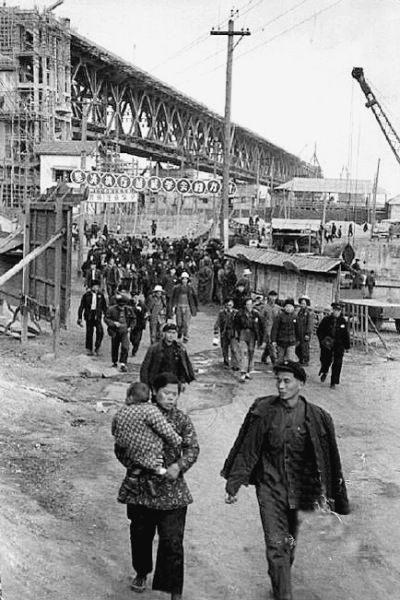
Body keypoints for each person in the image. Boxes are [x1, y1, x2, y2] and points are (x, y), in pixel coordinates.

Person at [221, 360, 350, 600]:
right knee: (276, 543)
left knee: (288, 543)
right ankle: (284, 594)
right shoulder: (263, 411)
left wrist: (329, 496)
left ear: (300, 383)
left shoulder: (318, 417)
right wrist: (233, 485)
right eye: (277, 381)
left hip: (299, 489)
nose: (280, 386)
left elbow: (329, 460)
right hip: (269, 489)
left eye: (286, 381)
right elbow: (247, 449)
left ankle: (279, 579)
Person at [115, 372, 200, 600]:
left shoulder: (182, 420)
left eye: (175, 394)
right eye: (166, 393)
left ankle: (173, 589)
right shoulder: (136, 414)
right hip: (141, 488)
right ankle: (142, 572)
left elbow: (192, 448)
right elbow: (120, 446)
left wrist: (179, 466)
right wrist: (134, 464)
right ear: (154, 392)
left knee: (172, 541)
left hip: (172, 491)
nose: (171, 398)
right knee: (140, 535)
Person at [112, 381, 182, 495]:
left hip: (125, 452)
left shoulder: (121, 412)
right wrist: (177, 440)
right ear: (148, 396)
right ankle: (152, 476)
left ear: (130, 395)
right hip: (147, 452)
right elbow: (165, 430)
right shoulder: (150, 411)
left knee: (137, 460)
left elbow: (113, 431)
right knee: (155, 445)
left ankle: (134, 478)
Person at [140, 323, 195, 390]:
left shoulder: (179, 349)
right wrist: (145, 383)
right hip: (158, 381)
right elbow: (145, 367)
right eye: (169, 332)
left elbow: (183, 367)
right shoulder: (155, 348)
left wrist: (183, 382)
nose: (171, 335)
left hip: (173, 382)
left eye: (173, 333)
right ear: (164, 333)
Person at [316, 302, 350, 389]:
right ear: (332, 310)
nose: (336, 312)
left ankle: (333, 382)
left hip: (339, 345)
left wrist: (347, 346)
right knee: (325, 359)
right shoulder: (326, 320)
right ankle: (324, 371)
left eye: (338, 310)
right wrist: (322, 340)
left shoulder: (343, 321)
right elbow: (319, 331)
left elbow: (346, 334)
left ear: (340, 311)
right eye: (335, 310)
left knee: (338, 363)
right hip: (327, 344)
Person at [234, 296, 263, 383]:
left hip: (252, 334)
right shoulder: (240, 313)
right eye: (247, 304)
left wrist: (260, 338)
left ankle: (248, 371)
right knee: (244, 352)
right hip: (243, 333)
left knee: (251, 352)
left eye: (251, 304)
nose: (249, 306)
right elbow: (236, 324)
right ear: (244, 305)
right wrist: (237, 335)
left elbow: (261, 326)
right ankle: (243, 372)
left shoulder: (256, 314)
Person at [105, 292, 136, 372]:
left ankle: (123, 363)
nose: (122, 308)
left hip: (125, 331)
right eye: (120, 306)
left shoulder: (129, 309)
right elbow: (106, 319)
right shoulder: (111, 309)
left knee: (125, 347)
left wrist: (130, 327)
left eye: (123, 306)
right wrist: (113, 323)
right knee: (115, 346)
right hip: (115, 331)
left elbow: (133, 319)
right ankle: (114, 361)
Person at [77, 279, 107, 356]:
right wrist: (79, 317)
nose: (96, 288)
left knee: (100, 331)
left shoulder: (100, 295)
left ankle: (97, 347)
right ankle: (89, 349)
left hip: (97, 315)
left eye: (98, 286)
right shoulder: (86, 295)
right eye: (95, 286)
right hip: (89, 315)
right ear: (92, 287)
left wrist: (107, 315)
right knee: (89, 332)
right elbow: (81, 307)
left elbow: (104, 306)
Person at [213, 297, 240, 370]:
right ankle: (226, 363)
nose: (229, 306)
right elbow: (217, 322)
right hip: (224, 333)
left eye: (231, 304)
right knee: (224, 349)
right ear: (225, 305)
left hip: (233, 333)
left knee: (234, 349)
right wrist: (216, 331)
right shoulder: (221, 313)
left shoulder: (236, 313)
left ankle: (235, 364)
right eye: (228, 304)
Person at [171, 272, 198, 342]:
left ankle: (186, 335)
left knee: (186, 323)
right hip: (179, 306)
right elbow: (173, 298)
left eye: (186, 279)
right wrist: (173, 306)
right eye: (183, 279)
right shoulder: (176, 288)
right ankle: (179, 332)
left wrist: (195, 307)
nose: (184, 280)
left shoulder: (190, 288)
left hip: (187, 307)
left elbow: (195, 297)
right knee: (179, 323)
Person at [259, 290, 280, 365]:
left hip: (276, 330)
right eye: (271, 296)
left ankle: (263, 358)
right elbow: (261, 318)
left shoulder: (278, 308)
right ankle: (274, 363)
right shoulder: (264, 307)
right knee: (272, 347)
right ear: (269, 297)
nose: (273, 298)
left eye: (274, 296)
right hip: (267, 329)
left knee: (270, 346)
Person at [295, 295, 314, 366]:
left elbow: (310, 324)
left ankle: (305, 361)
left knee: (304, 347)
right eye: (301, 303)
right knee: (298, 347)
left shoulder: (309, 313)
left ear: (307, 304)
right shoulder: (300, 312)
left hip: (305, 332)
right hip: (299, 332)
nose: (302, 305)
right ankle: (300, 359)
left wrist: (308, 334)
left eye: (304, 303)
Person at [130, 293, 148, 357]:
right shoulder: (131, 304)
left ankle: (134, 351)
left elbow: (146, 313)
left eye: (136, 298)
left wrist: (144, 314)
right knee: (131, 338)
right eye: (134, 297)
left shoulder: (142, 305)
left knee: (137, 339)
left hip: (140, 324)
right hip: (133, 324)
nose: (134, 299)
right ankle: (134, 344)